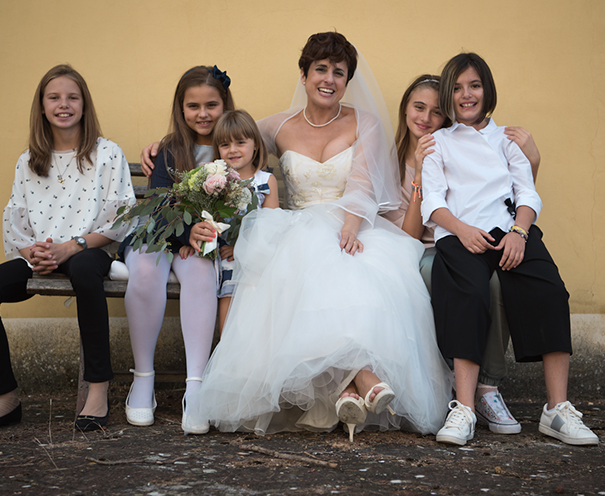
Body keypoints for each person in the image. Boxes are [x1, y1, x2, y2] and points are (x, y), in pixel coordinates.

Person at [190, 32, 453, 441]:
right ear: (304, 74)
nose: (329, 79)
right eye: (321, 70)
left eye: (339, 72)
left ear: (347, 80)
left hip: (355, 224)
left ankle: (349, 387)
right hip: (297, 227)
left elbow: (363, 184)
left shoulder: (363, 122)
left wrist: (348, 227)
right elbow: (230, 141)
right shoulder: (276, 125)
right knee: (307, 269)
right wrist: (174, 145)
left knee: (358, 273)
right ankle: (363, 380)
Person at [421, 53, 598, 446]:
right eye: (458, 88)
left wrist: (520, 231)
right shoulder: (438, 144)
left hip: (509, 230)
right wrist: (461, 230)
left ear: (487, 89)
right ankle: (465, 409)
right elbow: (431, 202)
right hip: (461, 233)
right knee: (467, 294)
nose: (467, 95)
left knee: (551, 291)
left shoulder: (509, 139)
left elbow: (527, 191)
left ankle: (556, 409)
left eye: (475, 85)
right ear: (448, 95)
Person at [0, 64, 135, 432]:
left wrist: (71, 247)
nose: (64, 105)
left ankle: (98, 389)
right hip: (41, 255)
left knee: (87, 273)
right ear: (42, 106)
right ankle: (5, 398)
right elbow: (17, 222)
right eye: (54, 97)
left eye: (73, 97)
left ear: (84, 105)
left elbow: (121, 220)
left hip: (89, 249)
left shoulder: (106, 154)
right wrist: (33, 253)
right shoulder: (29, 161)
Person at [384, 75, 541, 435]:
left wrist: (533, 158)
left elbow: (512, 192)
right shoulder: (391, 159)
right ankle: (457, 380)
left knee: (499, 279)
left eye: (436, 112)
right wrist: (421, 175)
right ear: (405, 109)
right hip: (421, 247)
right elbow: (410, 236)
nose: (425, 118)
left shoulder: (457, 147)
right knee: (439, 275)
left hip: (469, 240)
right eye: (418, 108)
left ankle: (487, 386)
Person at [121, 65, 233, 433]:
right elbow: (156, 208)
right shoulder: (169, 151)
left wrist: (204, 237)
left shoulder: (233, 145)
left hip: (202, 244)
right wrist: (186, 237)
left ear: (224, 103)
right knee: (146, 271)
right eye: (193, 106)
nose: (203, 114)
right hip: (161, 235)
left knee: (201, 273)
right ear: (180, 108)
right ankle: (144, 379)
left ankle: (196, 388)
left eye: (212, 105)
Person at [178, 110, 279, 334]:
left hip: (256, 252)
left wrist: (242, 248)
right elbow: (204, 218)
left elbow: (271, 225)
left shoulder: (266, 180)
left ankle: (256, 346)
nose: (232, 150)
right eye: (225, 145)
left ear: (255, 146)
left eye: (240, 142)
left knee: (246, 274)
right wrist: (193, 240)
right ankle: (226, 346)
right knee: (227, 277)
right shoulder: (215, 181)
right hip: (222, 253)